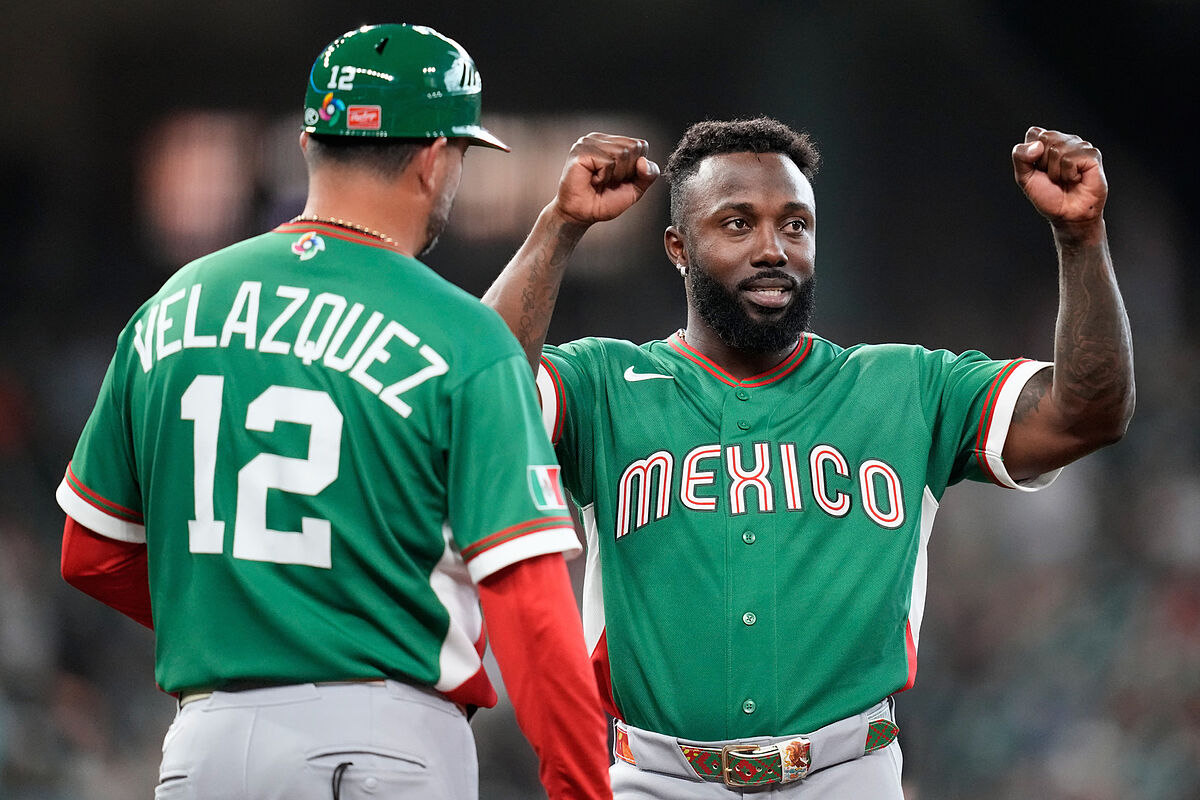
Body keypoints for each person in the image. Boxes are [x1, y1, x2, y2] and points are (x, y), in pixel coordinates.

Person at [482, 118, 1134, 797]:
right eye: (737, 224)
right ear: (678, 247)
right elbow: (473, 395)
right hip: (656, 778)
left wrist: (1080, 237)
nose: (772, 248)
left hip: (845, 774)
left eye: (795, 225)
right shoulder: (604, 385)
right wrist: (558, 225)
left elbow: (1088, 413)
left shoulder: (904, 386)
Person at [56, 23, 611, 800]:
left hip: (204, 749)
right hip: (381, 746)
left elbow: (91, 553)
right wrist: (583, 788)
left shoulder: (173, 305)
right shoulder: (460, 333)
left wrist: (258, 616)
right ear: (432, 159)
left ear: (314, 144)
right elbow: (534, 610)